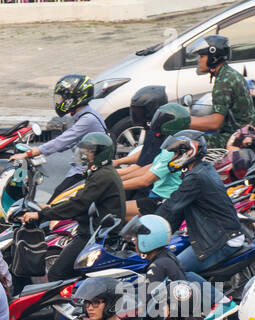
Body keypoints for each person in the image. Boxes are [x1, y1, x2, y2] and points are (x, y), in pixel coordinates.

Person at [20, 131, 125, 282]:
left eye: (88, 151)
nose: (83, 154)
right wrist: (50, 207)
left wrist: (41, 214)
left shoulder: (102, 177)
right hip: (96, 230)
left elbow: (78, 204)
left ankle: (72, 304)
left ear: (100, 155)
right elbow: (79, 199)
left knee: (57, 274)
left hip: (95, 235)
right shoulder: (102, 172)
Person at [154, 131, 247, 285]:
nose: (174, 158)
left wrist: (146, 229)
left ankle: (220, 303)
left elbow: (171, 207)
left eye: (177, 153)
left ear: (190, 151)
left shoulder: (196, 177)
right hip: (217, 234)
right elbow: (176, 212)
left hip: (221, 239)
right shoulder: (201, 170)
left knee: (173, 272)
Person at [25, 75, 107, 197]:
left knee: (56, 201)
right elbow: (68, 142)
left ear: (73, 99)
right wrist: (45, 150)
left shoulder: (87, 119)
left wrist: (33, 152)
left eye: (62, 98)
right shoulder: (87, 114)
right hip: (85, 168)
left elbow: (62, 141)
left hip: (85, 171)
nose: (60, 101)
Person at [118, 216, 182, 320]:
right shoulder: (167, 257)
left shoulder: (157, 267)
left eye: (136, 238)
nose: (134, 242)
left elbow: (147, 305)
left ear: (149, 239)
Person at [119, 102, 190, 218]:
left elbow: (145, 181)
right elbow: (150, 168)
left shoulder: (172, 151)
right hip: (158, 196)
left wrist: (116, 186)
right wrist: (118, 179)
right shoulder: (178, 144)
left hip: (163, 200)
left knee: (115, 210)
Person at [185, 35, 254, 151]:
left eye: (202, 56)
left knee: (186, 143)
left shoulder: (223, 82)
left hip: (234, 137)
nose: (199, 60)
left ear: (214, 57)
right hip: (244, 132)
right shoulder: (229, 73)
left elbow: (215, 123)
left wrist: (183, 122)